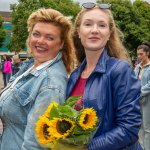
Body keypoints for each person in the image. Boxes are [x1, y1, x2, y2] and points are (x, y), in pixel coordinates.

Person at [66, 3, 142, 150]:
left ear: (109, 34)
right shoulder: (74, 76)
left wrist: (89, 147)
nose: (94, 30)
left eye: (102, 25)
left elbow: (129, 128)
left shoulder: (120, 70)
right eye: (88, 24)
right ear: (78, 32)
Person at [0, 8, 74, 150]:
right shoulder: (29, 66)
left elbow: (36, 145)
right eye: (36, 34)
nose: (40, 41)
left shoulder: (51, 83)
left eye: (49, 37)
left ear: (61, 43)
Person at [134, 42, 150, 150]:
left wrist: (140, 91)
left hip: (147, 100)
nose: (139, 57)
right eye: (138, 55)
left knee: (147, 127)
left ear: (147, 53)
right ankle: (142, 146)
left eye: (141, 54)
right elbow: (133, 81)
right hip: (138, 100)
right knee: (139, 126)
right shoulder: (137, 67)